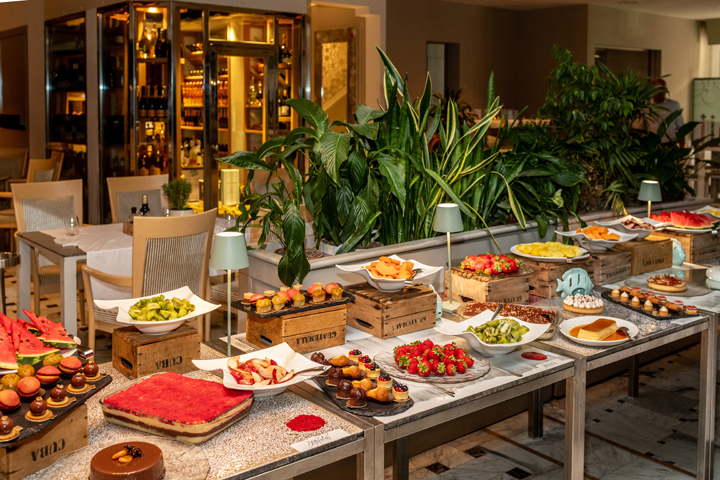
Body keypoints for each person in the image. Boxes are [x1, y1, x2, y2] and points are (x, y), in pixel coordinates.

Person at [650, 78, 685, 146]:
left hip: (669, 144)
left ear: (666, 90)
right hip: (650, 145)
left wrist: (681, 149)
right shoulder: (646, 106)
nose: (659, 91)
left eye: (661, 88)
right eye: (656, 88)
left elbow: (681, 128)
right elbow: (639, 128)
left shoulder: (674, 105)